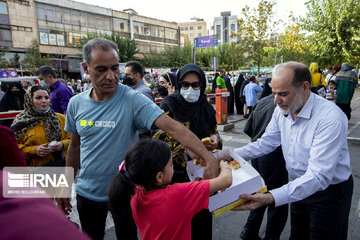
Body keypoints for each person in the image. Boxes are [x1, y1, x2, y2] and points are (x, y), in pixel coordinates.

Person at [58, 38, 219, 240]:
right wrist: (65, 185)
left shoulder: (132, 99)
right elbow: (75, 146)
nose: (110, 76)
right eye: (101, 69)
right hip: (86, 195)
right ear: (85, 68)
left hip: (125, 194)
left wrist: (208, 157)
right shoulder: (75, 103)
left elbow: (174, 128)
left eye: (115, 68)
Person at [233, 62, 353, 240]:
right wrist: (229, 155)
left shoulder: (330, 118)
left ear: (305, 87)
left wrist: (271, 197)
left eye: (283, 94)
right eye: (274, 93)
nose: (276, 101)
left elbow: (318, 177)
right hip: (297, 187)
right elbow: (265, 143)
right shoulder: (282, 110)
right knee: (298, 234)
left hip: (328, 193)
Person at [109, 138, 232, 240]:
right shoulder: (178, 195)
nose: (173, 166)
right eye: (171, 164)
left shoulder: (135, 194)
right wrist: (223, 165)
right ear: (159, 176)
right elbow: (226, 180)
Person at [154, 63, 222, 240]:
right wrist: (184, 147)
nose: (190, 89)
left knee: (201, 223)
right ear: (178, 84)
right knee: (179, 227)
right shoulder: (169, 105)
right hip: (176, 176)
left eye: (195, 85)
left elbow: (215, 132)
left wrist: (216, 141)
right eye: (185, 84)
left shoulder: (206, 107)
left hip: (202, 175)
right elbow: (158, 137)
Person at [240, 94, 288, 240]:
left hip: (257, 155)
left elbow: (248, 128)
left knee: (260, 193)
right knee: (278, 199)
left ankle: (249, 231)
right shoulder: (285, 106)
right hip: (274, 157)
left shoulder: (261, 102)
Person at [0, 170, 91, 240]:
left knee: (59, 199)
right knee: (47, 201)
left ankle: (63, 218)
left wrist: (61, 144)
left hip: (57, 166)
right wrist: (35, 150)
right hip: (39, 169)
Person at [10, 85, 70, 167]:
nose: (44, 101)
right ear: (30, 100)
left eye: (46, 97)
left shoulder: (60, 118)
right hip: (36, 169)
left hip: (63, 166)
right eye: (38, 98)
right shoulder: (20, 122)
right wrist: (34, 150)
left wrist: (62, 144)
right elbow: (13, 147)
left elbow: (72, 138)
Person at [124, 61, 155, 139]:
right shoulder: (130, 89)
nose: (125, 77)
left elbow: (147, 118)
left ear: (137, 75)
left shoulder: (144, 92)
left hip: (140, 136)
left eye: (128, 75)